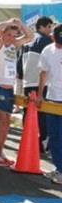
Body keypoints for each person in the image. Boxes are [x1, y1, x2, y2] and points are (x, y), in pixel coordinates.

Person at [0, 19, 33, 166]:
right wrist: (8, 22)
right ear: (2, 34)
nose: (12, 38)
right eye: (9, 35)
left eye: (14, 36)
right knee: (2, 123)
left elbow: (29, 37)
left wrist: (21, 26)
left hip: (8, 90)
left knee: (6, 124)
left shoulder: (12, 46)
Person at [18, 16, 53, 153]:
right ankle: (42, 142)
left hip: (27, 82)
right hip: (41, 83)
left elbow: (19, 62)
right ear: (42, 27)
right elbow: (50, 63)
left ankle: (28, 140)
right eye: (49, 27)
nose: (50, 30)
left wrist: (22, 77)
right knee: (42, 114)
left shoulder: (28, 40)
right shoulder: (45, 40)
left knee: (28, 113)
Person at [37, 23, 62, 185]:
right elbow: (43, 73)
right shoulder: (48, 50)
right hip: (53, 98)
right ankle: (58, 167)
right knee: (53, 136)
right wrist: (40, 95)